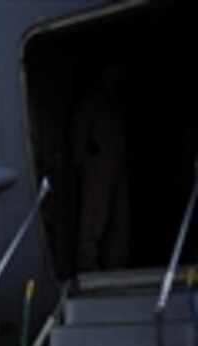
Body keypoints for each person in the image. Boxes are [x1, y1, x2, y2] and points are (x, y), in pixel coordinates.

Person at [70, 58, 131, 272]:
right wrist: (79, 158)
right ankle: (87, 260)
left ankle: (115, 259)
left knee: (119, 215)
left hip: (116, 163)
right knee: (94, 213)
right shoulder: (93, 99)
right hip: (98, 163)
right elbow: (79, 129)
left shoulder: (114, 102)